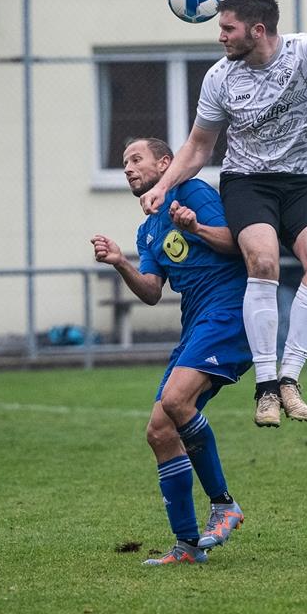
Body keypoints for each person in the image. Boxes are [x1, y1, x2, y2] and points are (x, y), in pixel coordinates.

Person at [139, 0, 307, 428]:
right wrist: (164, 184)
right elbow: (199, 146)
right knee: (263, 260)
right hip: (247, 183)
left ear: (258, 29)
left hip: (301, 181)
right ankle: (265, 386)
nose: (220, 35)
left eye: (228, 29)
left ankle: (289, 379)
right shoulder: (220, 78)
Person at [92, 137, 251, 565]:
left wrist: (196, 227)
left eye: (136, 159)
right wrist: (122, 262)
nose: (127, 167)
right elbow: (150, 291)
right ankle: (187, 546)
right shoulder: (148, 230)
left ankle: (223, 504)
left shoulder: (193, 191)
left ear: (166, 163)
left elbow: (240, 243)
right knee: (160, 431)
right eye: (123, 161)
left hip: (229, 310)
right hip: (196, 323)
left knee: (177, 401)